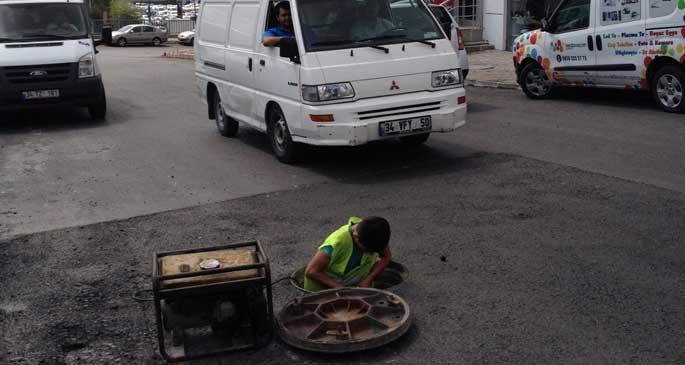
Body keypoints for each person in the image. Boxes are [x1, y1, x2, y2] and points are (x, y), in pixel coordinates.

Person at [304, 216, 392, 292]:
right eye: (368, 251)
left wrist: (368, 279)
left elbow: (386, 256)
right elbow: (311, 271)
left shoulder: (374, 233)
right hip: (323, 289)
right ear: (356, 237)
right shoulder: (336, 244)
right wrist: (341, 289)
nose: (371, 253)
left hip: (352, 283)